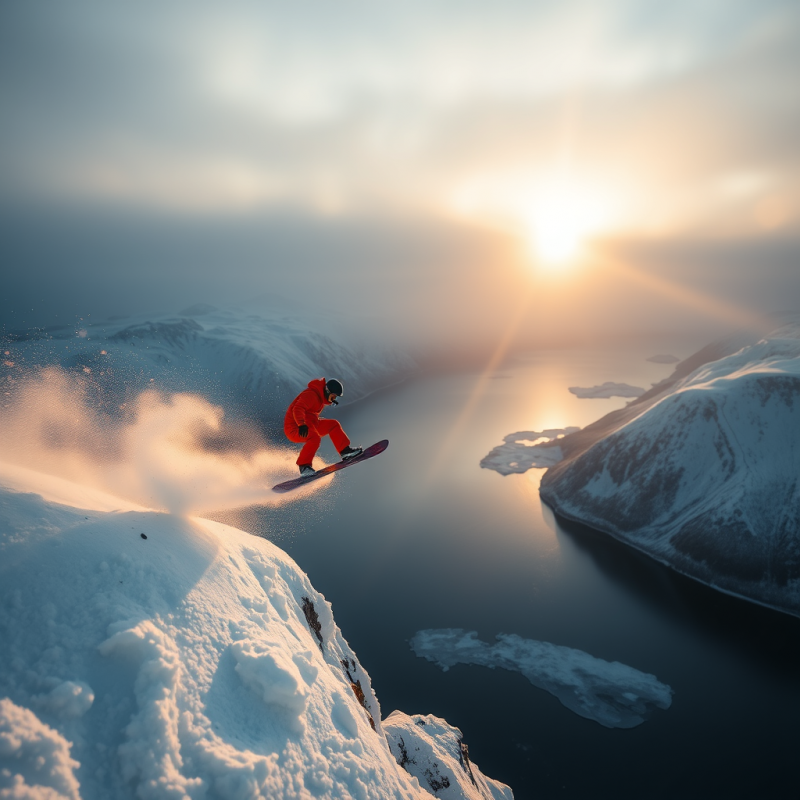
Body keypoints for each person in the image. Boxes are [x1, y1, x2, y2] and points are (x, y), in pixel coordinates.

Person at [283, 378, 362, 476]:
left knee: (333, 424)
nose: (334, 399)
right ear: (328, 392)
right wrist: (301, 424)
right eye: (333, 396)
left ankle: (345, 452)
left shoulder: (320, 397)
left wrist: (315, 420)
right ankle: (304, 467)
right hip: (295, 428)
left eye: (335, 397)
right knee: (314, 439)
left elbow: (310, 413)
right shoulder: (311, 394)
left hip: (309, 424)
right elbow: (298, 408)